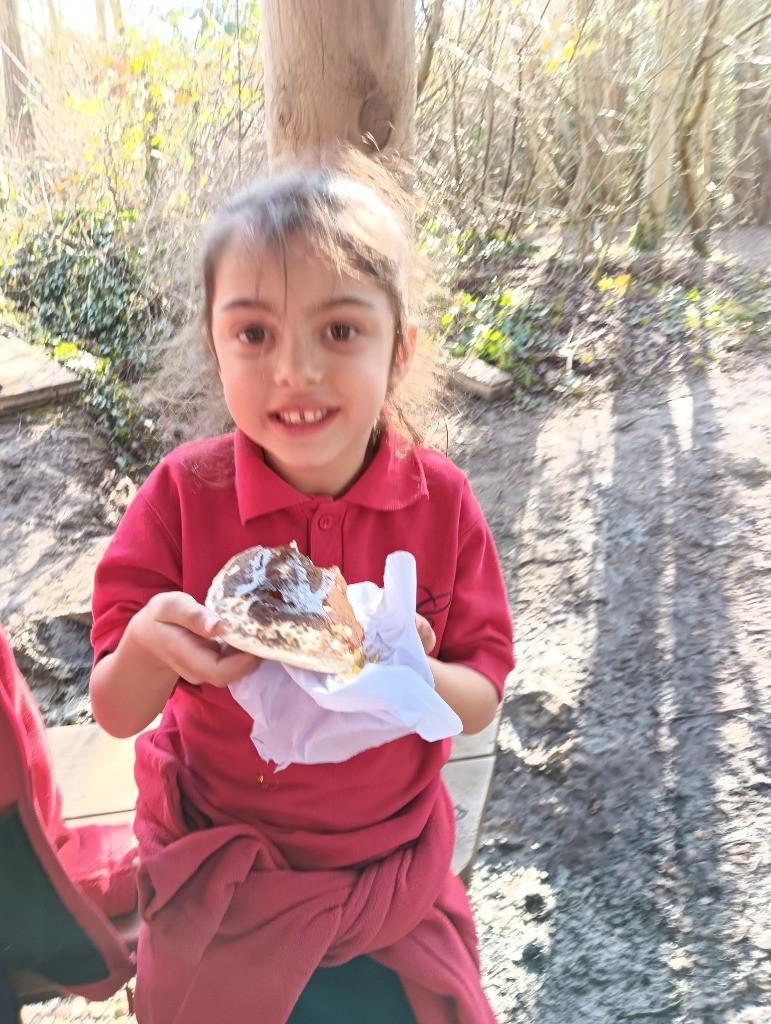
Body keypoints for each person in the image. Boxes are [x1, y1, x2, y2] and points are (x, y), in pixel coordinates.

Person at [89, 148, 515, 1024]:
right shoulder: (182, 497)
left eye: (339, 331)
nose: (294, 370)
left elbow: (478, 696)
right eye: (254, 334)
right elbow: (114, 708)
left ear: (399, 352)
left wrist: (403, 672)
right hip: (226, 862)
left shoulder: (440, 503)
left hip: (388, 862)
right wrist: (149, 649)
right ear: (215, 345)